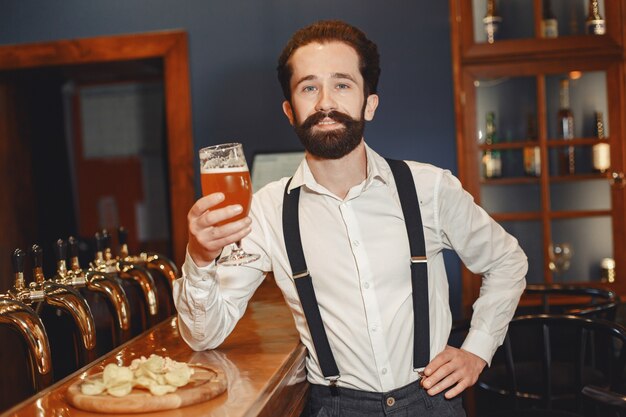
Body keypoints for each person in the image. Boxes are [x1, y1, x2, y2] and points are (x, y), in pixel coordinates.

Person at [174, 20, 527, 417]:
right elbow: (204, 335)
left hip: (430, 402)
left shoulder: (429, 187)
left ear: (369, 103)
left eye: (342, 84)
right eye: (309, 87)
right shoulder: (267, 212)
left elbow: (507, 261)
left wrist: (477, 350)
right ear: (290, 111)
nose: (325, 102)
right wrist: (200, 257)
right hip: (335, 407)